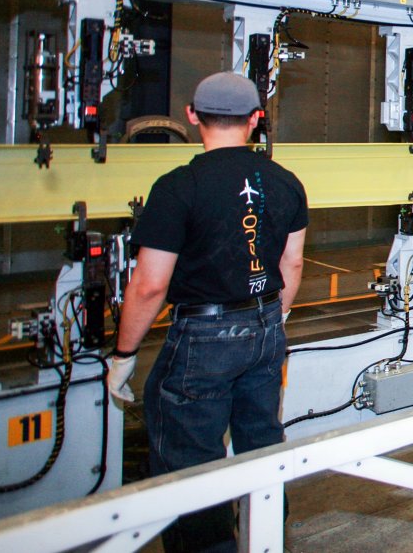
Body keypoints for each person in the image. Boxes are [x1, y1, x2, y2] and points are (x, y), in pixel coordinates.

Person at [106, 71, 308, 552]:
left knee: (189, 466)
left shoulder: (177, 187)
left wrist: (124, 354)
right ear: (257, 120)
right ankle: (266, 542)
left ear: (193, 117)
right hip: (264, 327)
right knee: (262, 447)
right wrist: (271, 322)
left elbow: (150, 285)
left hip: (203, 335)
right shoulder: (286, 183)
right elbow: (291, 262)